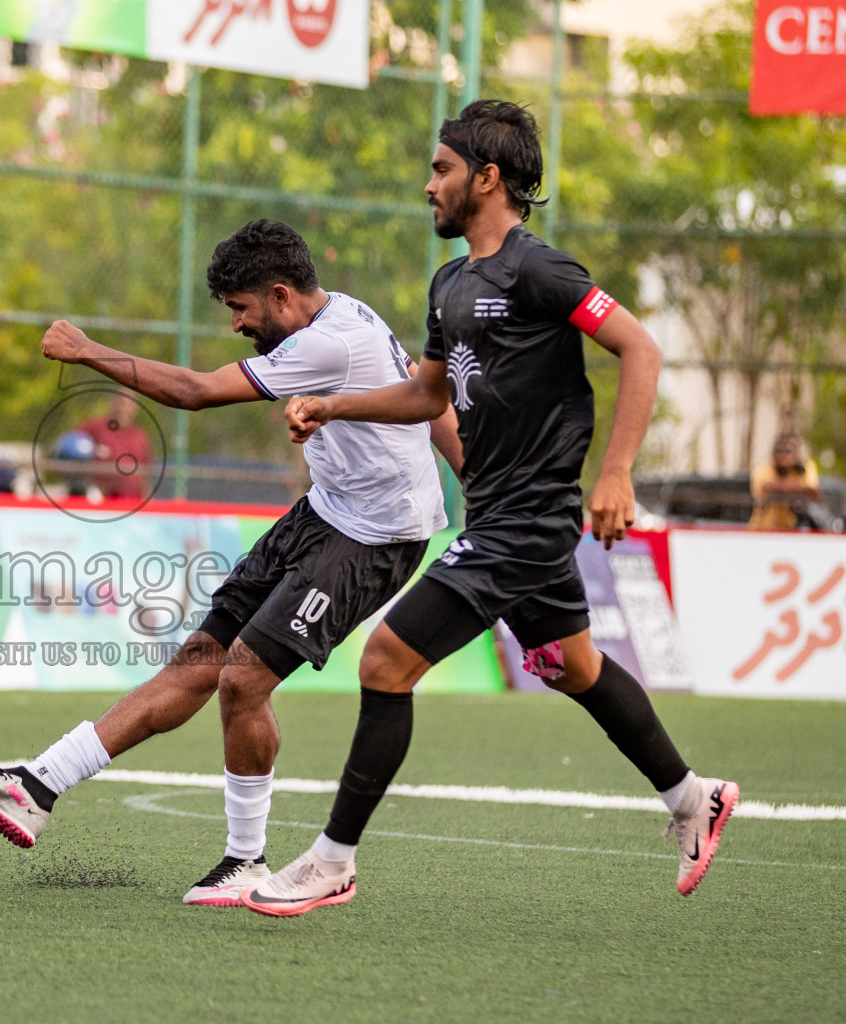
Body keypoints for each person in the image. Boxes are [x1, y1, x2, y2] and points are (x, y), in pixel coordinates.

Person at [242, 101, 739, 918]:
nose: (427, 186)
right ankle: (693, 797)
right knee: (575, 668)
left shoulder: (539, 270)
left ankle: (332, 861)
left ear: (487, 177)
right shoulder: (450, 283)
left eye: (440, 170)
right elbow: (426, 395)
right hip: (496, 511)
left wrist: (615, 474)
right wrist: (335, 406)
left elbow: (641, 348)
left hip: (532, 519)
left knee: (385, 663)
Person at [0, 219, 463, 907]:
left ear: (279, 294)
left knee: (242, 679)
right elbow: (429, 397)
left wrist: (87, 351)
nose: (237, 324)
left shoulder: (327, 343)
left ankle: (246, 861)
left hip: (378, 538)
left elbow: (194, 391)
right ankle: (36, 786)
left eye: (242, 309)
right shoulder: (343, 312)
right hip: (325, 513)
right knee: (198, 662)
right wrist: (469, 467)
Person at [77, 392, 152, 500]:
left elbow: (145, 476)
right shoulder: (95, 428)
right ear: (112, 403)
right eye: (121, 402)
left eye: (129, 404)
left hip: (131, 501)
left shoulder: (140, 437)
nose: (124, 408)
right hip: (102, 500)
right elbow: (72, 451)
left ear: (135, 408)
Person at [749, 434, 822, 531]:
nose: (783, 455)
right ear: (772, 454)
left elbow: (815, 492)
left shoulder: (804, 469)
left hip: (790, 530)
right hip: (762, 530)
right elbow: (766, 488)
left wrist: (785, 483)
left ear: (796, 455)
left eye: (788, 451)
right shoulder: (762, 471)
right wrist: (799, 485)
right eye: (779, 451)